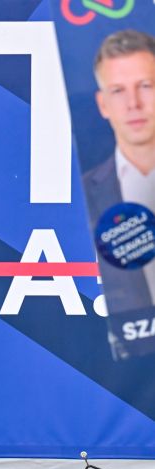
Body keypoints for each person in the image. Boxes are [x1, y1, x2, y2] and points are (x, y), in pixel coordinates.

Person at [83, 29, 155, 313]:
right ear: (103, 104)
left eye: (145, 86)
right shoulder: (82, 195)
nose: (133, 103)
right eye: (118, 90)